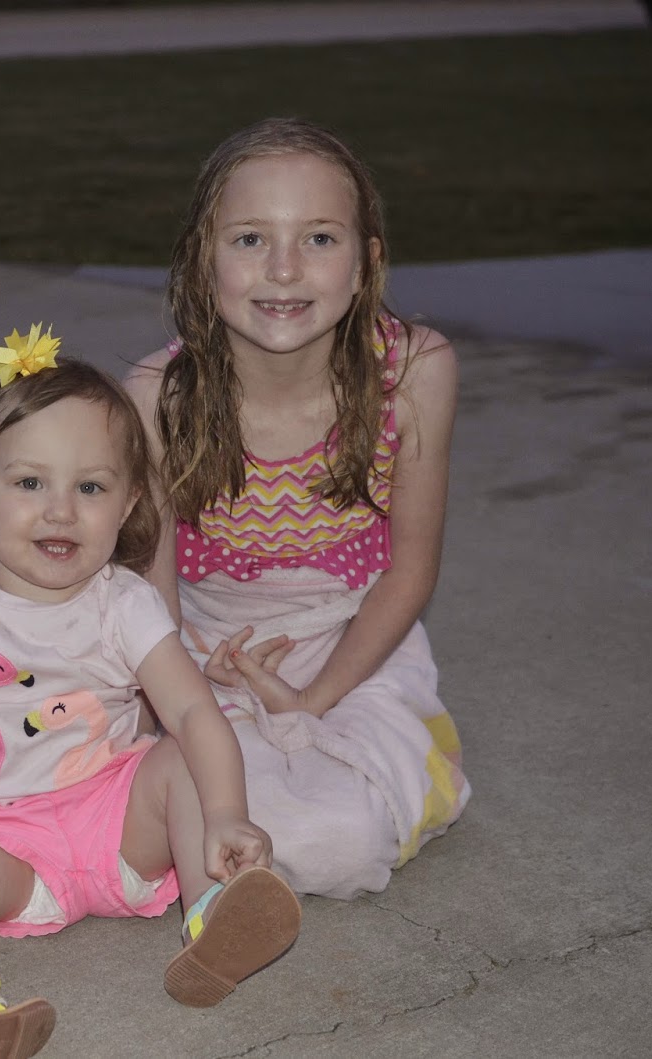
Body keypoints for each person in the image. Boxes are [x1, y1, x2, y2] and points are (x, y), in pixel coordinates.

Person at [0, 333, 301, 1059]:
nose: (61, 511)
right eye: (29, 483)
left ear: (129, 502)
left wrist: (227, 813)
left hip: (115, 826)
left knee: (178, 757)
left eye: (91, 488)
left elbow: (193, 709)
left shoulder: (124, 602)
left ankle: (211, 910)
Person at [123, 118, 471, 900]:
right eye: (250, 239)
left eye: (318, 238)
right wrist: (177, 701)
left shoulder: (415, 371)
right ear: (203, 259)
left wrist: (314, 700)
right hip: (201, 651)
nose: (284, 270)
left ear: (365, 262)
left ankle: (396, 758)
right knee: (209, 798)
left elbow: (410, 571)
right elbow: (151, 594)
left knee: (338, 843)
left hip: (355, 638)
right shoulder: (156, 397)